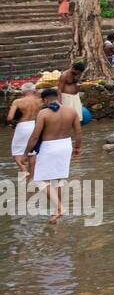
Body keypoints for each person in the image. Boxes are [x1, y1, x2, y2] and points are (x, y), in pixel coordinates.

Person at [25, 87, 81, 222]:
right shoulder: (72, 111)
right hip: (66, 145)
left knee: (39, 179)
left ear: (44, 100)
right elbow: (78, 132)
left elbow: (34, 136)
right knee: (59, 178)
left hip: (49, 146)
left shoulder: (44, 113)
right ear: (58, 97)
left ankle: (60, 207)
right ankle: (57, 210)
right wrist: (77, 147)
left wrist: (26, 152)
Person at [8, 82, 41, 176]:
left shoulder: (17, 102)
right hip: (36, 125)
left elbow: (10, 118)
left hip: (22, 126)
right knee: (32, 151)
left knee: (17, 151)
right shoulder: (39, 100)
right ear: (34, 90)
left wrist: (13, 123)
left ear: (22, 92)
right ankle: (32, 176)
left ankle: (23, 169)